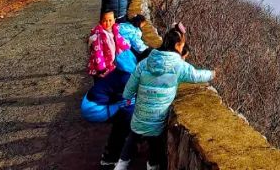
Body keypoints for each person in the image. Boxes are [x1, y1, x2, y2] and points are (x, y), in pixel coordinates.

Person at [114, 25, 214, 170]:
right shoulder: (179, 66)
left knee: (132, 137)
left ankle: (121, 165)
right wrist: (212, 74)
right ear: (176, 45)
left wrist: (127, 96)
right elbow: (196, 75)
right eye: (182, 45)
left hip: (140, 114)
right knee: (155, 145)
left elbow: (131, 85)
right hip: (157, 118)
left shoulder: (145, 62)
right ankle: (152, 166)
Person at [80, 69, 134, 169]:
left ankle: (124, 149)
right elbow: (128, 106)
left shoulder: (128, 66)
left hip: (94, 101)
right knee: (126, 119)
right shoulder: (128, 78)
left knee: (130, 114)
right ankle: (109, 159)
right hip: (95, 108)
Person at [88, 9, 130, 80]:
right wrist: (101, 69)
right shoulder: (99, 35)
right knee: (100, 83)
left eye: (110, 20)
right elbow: (98, 53)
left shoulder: (114, 31)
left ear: (114, 20)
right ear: (100, 21)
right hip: (100, 67)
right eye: (105, 21)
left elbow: (121, 41)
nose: (108, 23)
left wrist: (127, 48)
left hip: (109, 64)